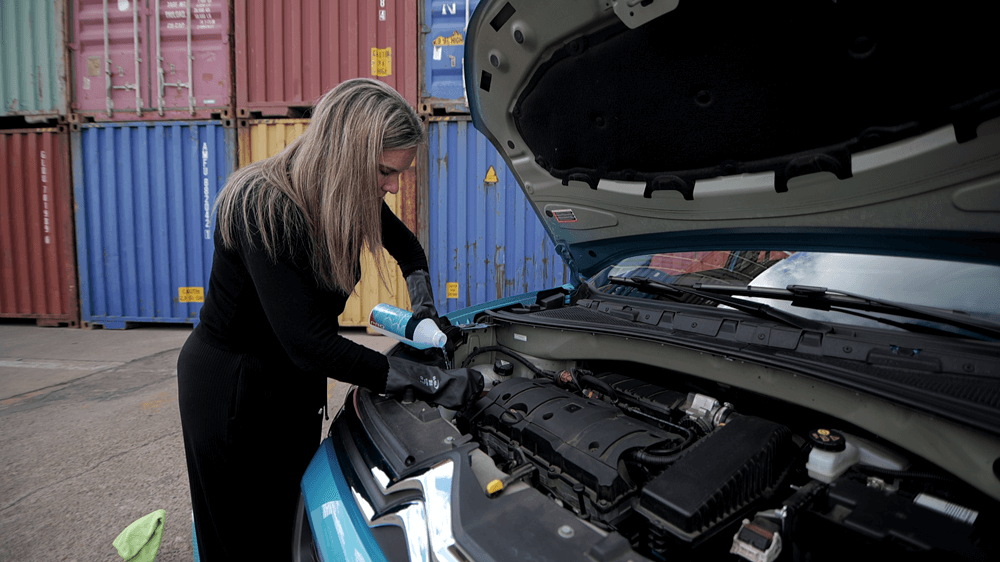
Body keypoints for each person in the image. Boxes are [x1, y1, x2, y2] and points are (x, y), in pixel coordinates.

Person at [176, 78, 483, 560]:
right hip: (236, 394)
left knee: (289, 529)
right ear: (346, 155)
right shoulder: (265, 204)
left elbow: (408, 249)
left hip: (293, 388)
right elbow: (310, 343)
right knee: (239, 542)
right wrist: (426, 380)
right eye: (385, 171)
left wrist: (426, 311)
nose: (392, 186)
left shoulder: (346, 195)